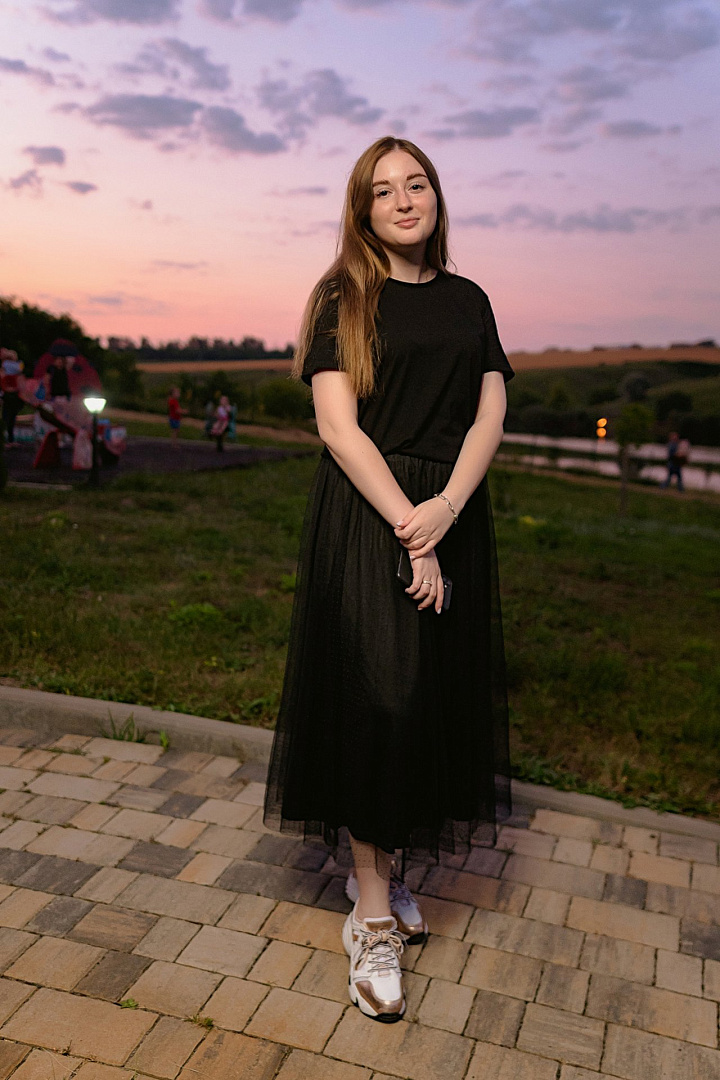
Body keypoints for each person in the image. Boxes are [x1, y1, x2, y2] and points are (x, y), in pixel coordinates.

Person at [263, 136, 514, 1023]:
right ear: (362, 210)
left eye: (417, 185)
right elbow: (338, 426)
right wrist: (414, 529)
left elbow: (490, 411)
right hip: (372, 515)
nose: (404, 201)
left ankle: (382, 873)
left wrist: (446, 508)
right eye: (384, 191)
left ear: (436, 196)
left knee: (431, 700)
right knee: (383, 702)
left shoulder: (469, 299)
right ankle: (371, 916)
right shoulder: (344, 295)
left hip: (450, 511)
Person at [1, 349, 23, 446]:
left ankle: (9, 439)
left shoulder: (5, 367)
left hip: (10, 394)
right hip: (10, 394)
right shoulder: (10, 366)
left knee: (9, 417)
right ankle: (8, 439)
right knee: (9, 417)